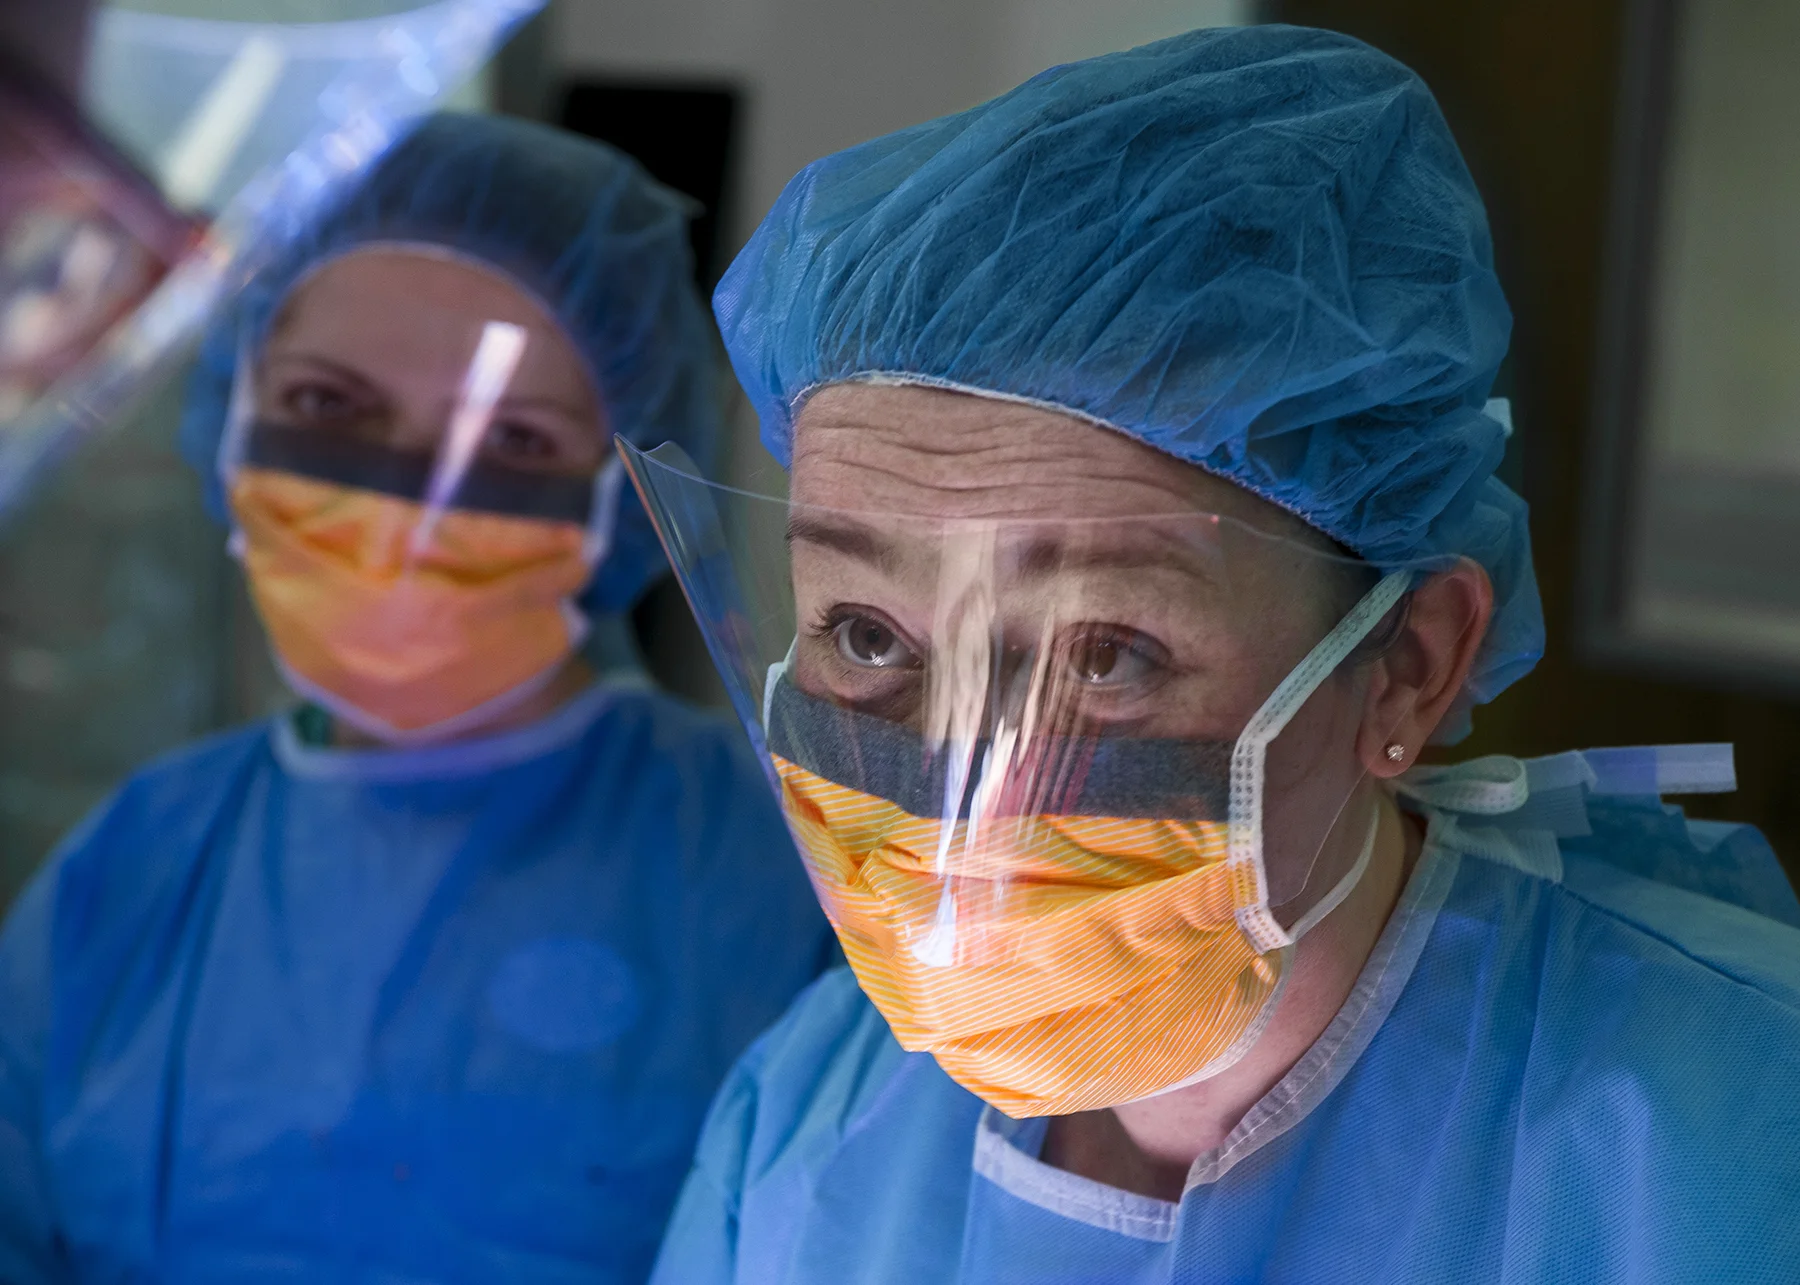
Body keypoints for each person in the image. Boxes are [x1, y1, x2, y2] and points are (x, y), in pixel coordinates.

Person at [633, 25, 1800, 1284]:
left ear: (1408, 662)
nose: (954, 790)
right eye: (864, 634)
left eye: (1105, 655)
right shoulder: (811, 1113)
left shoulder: (1730, 1144)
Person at [0, 113, 831, 1284]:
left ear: (623, 486)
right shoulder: (138, 867)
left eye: (515, 435)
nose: (410, 492)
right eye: (332, 408)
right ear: (234, 414)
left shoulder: (773, 873)